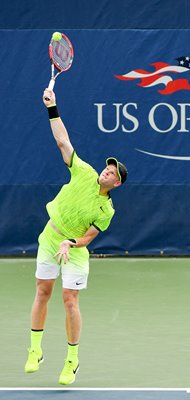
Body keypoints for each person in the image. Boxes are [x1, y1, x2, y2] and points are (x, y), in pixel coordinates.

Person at [24, 88, 128, 385]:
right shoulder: (83, 171)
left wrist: (72, 243)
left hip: (75, 250)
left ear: (116, 184)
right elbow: (62, 140)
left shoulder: (106, 209)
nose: (107, 172)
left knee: (70, 301)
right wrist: (52, 107)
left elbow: (89, 237)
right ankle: (35, 350)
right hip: (49, 239)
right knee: (42, 292)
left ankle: (72, 360)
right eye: (107, 168)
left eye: (112, 173)